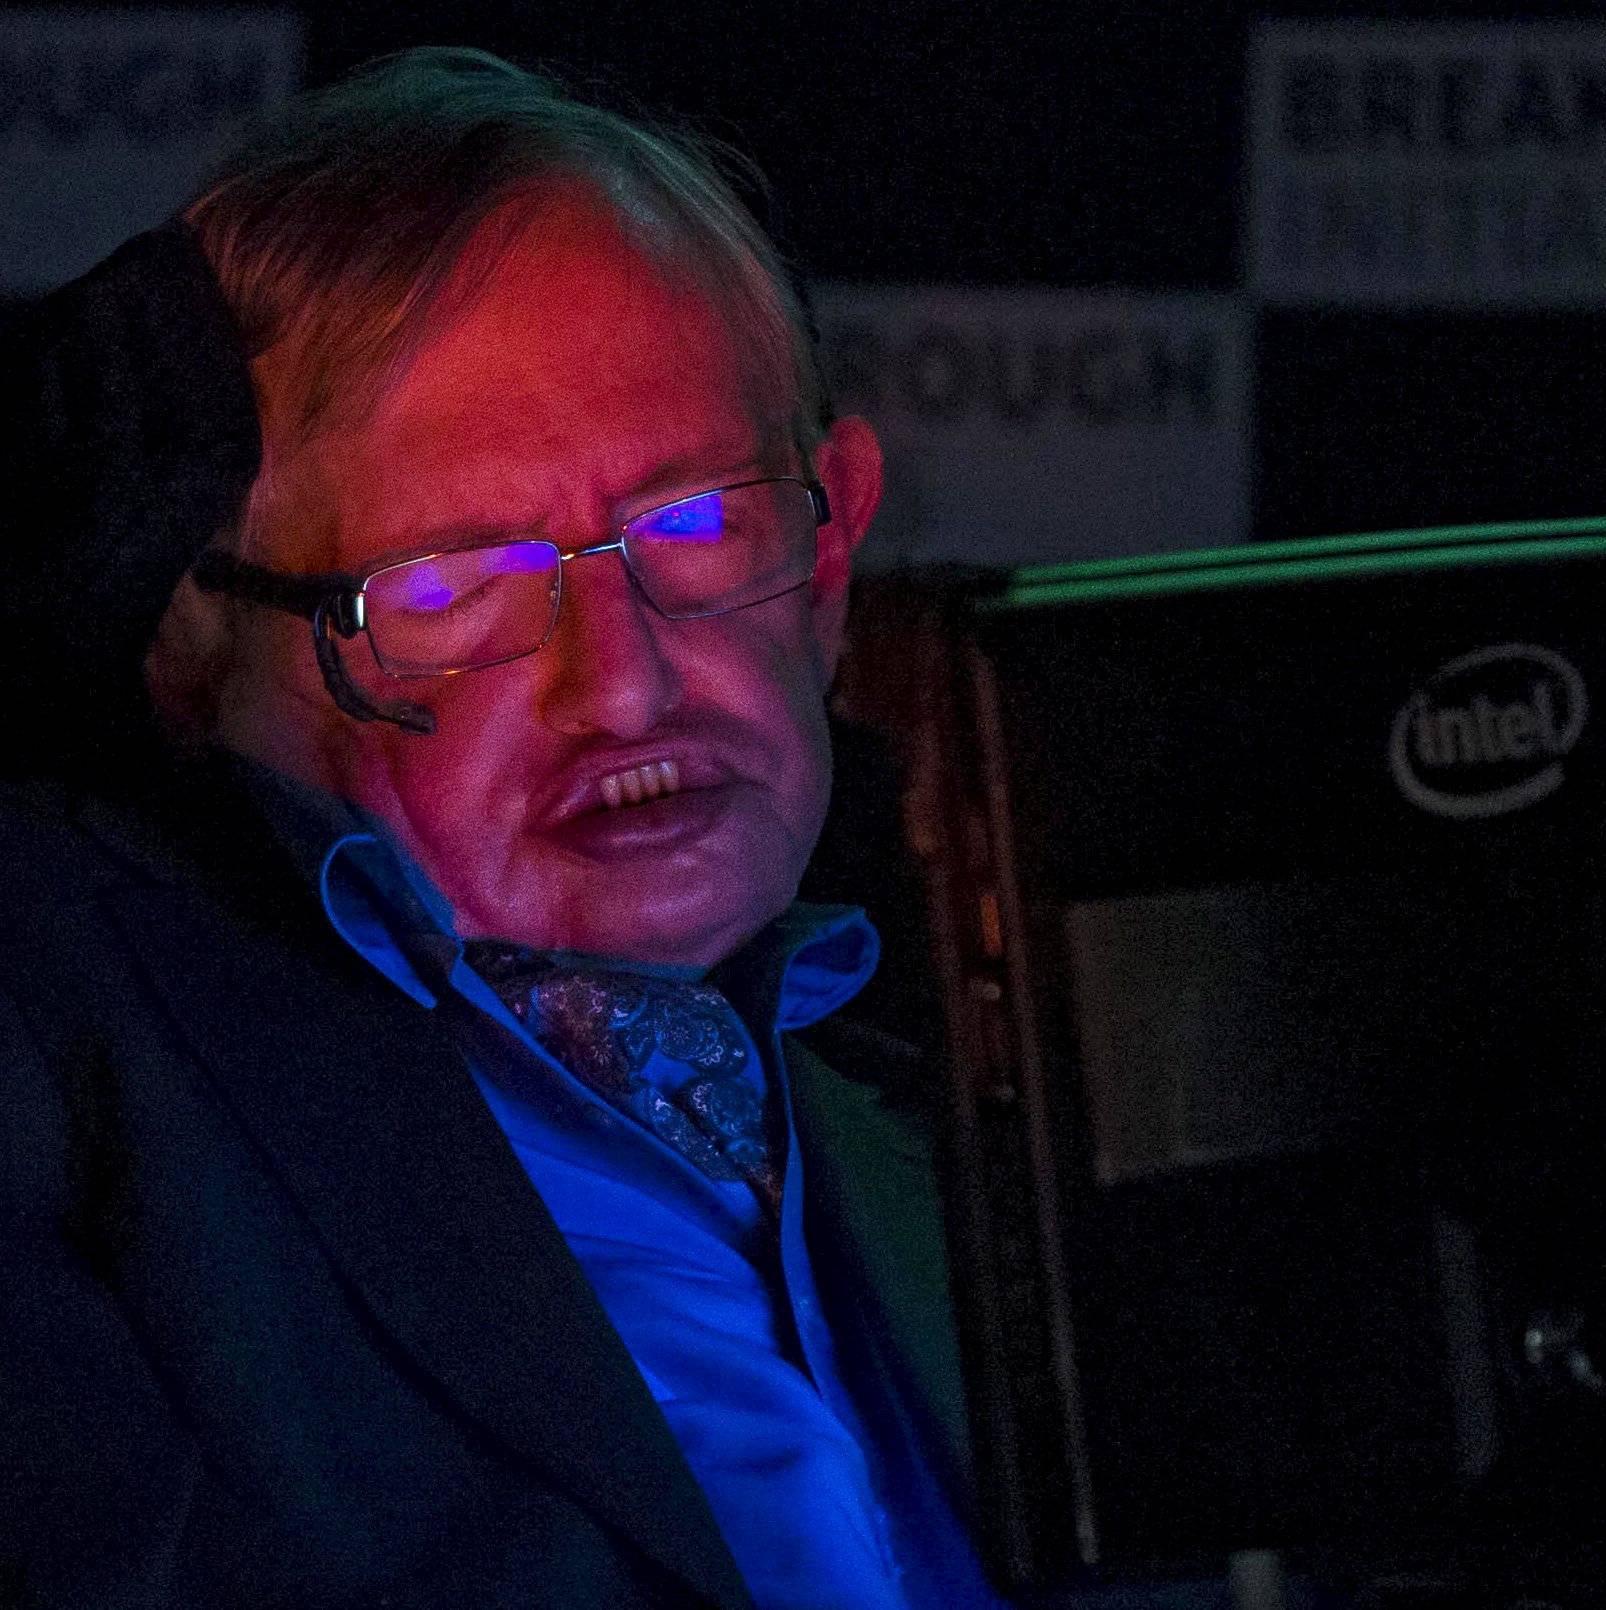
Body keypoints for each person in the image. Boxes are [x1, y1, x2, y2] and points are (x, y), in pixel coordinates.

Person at [0, 47, 1005, 1610]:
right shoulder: (81, 1074)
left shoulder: (996, 1131)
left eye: (693, 527)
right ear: (196, 649)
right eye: (455, 589)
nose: (625, 686)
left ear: (827, 558)